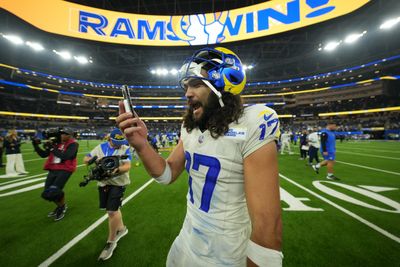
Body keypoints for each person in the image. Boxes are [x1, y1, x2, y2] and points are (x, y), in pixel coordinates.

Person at [117, 47, 283, 267]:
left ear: (225, 83)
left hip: (226, 256)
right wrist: (142, 145)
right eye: (186, 86)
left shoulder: (252, 122)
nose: (187, 93)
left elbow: (267, 228)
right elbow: (167, 174)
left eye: (196, 84)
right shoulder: (190, 128)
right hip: (186, 242)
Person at [84, 128, 131, 261]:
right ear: (109, 139)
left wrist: (116, 170)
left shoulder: (125, 148)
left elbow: (127, 166)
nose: (118, 144)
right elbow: (86, 159)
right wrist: (94, 160)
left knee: (111, 211)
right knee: (113, 210)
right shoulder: (100, 147)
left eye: (120, 141)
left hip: (119, 183)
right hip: (103, 183)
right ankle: (121, 229)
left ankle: (111, 242)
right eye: (116, 141)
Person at [32, 128, 78, 221]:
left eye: (65, 134)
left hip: (65, 169)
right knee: (47, 192)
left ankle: (61, 208)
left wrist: (52, 148)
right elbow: (44, 154)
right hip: (53, 168)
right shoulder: (55, 143)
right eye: (61, 134)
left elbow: (67, 156)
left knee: (54, 190)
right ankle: (61, 205)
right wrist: (35, 145)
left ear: (70, 135)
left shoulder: (73, 144)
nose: (62, 135)